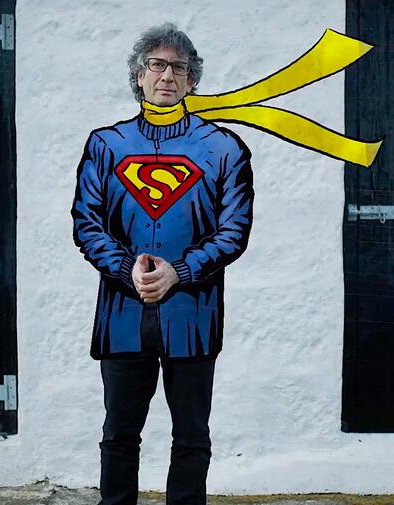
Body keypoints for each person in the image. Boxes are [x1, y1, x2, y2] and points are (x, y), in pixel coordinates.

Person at [71, 22, 254, 505]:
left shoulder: (224, 149)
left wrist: (181, 271)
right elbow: (87, 224)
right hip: (122, 316)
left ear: (192, 80)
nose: (167, 76)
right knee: (118, 435)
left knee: (191, 437)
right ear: (139, 75)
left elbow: (234, 231)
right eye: (157, 65)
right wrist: (125, 267)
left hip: (192, 314)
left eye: (179, 67)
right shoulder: (106, 145)